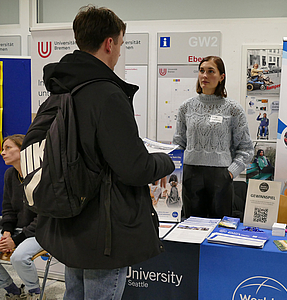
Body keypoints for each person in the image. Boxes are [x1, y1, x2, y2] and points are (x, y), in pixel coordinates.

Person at [31, 6, 175, 300]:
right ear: (109, 43)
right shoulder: (107, 94)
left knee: (75, 294)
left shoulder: (61, 89)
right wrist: (166, 161)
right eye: (120, 43)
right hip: (104, 228)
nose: (120, 51)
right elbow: (133, 167)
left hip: (70, 221)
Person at [173, 56, 253, 218]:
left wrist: (230, 173)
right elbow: (178, 144)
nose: (204, 75)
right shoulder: (186, 107)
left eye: (211, 71)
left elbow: (246, 149)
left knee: (219, 230)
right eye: (202, 71)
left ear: (221, 77)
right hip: (191, 176)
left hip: (221, 177)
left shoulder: (233, 109)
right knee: (191, 228)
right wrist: (176, 173)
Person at [0, 134, 44, 300]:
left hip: (39, 232)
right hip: (17, 232)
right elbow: (8, 210)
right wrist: (6, 233)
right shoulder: (10, 175)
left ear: (23, 150)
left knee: (19, 257)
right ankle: (12, 289)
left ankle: (36, 293)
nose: (2, 152)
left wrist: (15, 240)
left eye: (8, 148)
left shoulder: (41, 175)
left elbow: (43, 218)